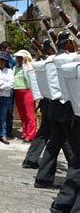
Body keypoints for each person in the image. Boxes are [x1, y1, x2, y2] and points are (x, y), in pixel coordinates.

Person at [35, 31, 78, 190]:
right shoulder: (68, 58)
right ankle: (72, 186)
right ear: (67, 44)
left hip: (55, 108)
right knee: (75, 148)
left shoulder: (51, 59)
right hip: (67, 109)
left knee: (55, 144)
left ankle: (43, 178)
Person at [22, 39, 73, 169]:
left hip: (48, 103)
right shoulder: (60, 61)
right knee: (62, 137)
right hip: (59, 104)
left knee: (52, 136)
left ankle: (32, 160)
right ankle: (74, 166)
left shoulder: (42, 62)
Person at [12, 50, 36, 142]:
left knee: (29, 114)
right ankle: (25, 132)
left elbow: (29, 77)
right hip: (17, 91)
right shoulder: (15, 68)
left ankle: (31, 134)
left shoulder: (29, 67)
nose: (18, 59)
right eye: (17, 57)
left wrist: (26, 64)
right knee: (22, 114)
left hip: (27, 91)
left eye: (20, 57)